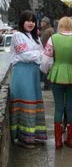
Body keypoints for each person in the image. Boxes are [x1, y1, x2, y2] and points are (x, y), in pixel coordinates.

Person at [10, 10, 47, 149]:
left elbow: (42, 53)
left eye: (33, 21)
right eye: (28, 20)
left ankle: (34, 135)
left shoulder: (34, 37)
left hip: (33, 74)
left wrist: (38, 54)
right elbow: (25, 56)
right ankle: (22, 138)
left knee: (34, 102)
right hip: (22, 73)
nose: (31, 23)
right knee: (26, 102)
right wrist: (39, 54)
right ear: (22, 22)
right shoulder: (17, 36)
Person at [40, 17, 72, 149]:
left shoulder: (53, 38)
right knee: (70, 106)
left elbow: (46, 61)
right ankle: (70, 139)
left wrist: (47, 71)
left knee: (58, 106)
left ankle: (57, 141)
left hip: (57, 74)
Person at [40, 16, 54, 90]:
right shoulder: (48, 30)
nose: (41, 23)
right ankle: (47, 85)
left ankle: (47, 85)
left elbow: (42, 43)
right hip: (49, 51)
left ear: (46, 23)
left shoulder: (47, 31)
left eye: (43, 22)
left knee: (46, 69)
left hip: (47, 52)